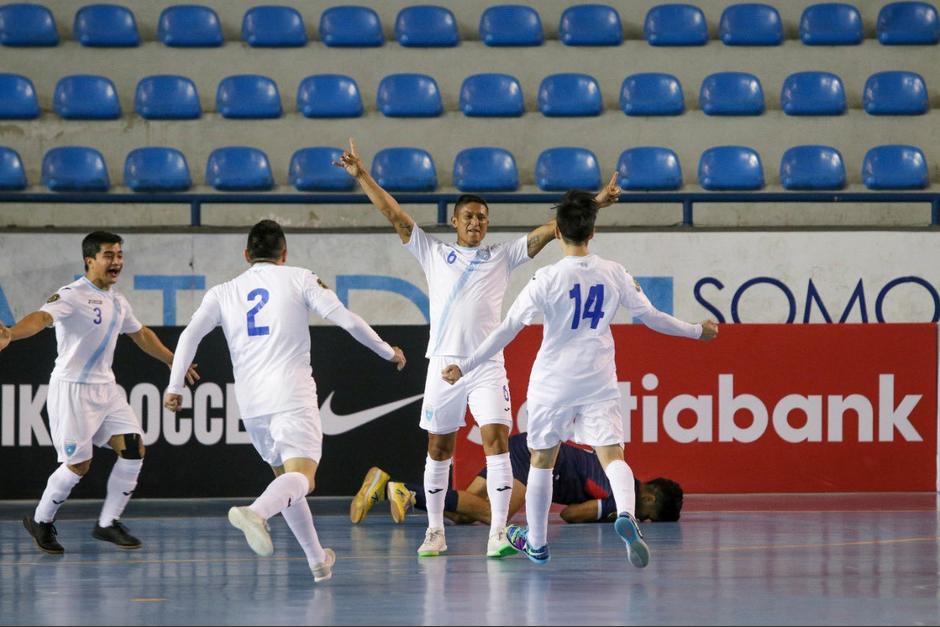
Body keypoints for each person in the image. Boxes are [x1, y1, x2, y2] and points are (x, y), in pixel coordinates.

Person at [336, 138, 621, 559]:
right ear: (454, 221)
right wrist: (361, 175)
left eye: (482, 217)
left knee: (497, 441)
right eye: (468, 216)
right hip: (443, 364)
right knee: (439, 449)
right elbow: (393, 214)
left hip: (486, 365)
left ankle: (498, 534)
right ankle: (435, 532)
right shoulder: (432, 252)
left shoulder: (501, 256)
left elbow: (553, 230)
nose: (476, 222)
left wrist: (596, 202)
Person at [442, 190, 718, 567]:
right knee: (612, 455)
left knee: (542, 460)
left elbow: (506, 329)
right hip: (597, 378)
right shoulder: (614, 272)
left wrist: (466, 365)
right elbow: (652, 317)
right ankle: (626, 513)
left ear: (557, 232)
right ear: (592, 233)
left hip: (553, 381)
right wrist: (696, 331)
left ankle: (537, 543)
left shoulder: (546, 278)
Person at [162, 220, 406, 583]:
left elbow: (189, 336)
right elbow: (347, 320)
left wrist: (174, 385)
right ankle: (257, 512)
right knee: (303, 479)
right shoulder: (300, 278)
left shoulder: (222, 292)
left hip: (251, 405)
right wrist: (388, 351)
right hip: (291, 396)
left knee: (288, 483)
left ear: (246, 255)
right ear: (284, 253)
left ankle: (317, 559)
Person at [0, 231, 199, 554]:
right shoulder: (72, 294)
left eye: (119, 255)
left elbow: (140, 334)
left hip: (106, 389)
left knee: (133, 448)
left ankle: (107, 523)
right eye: (108, 255)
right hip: (72, 391)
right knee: (78, 465)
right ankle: (41, 521)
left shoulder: (118, 300)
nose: (116, 261)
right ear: (89, 260)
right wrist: (11, 333)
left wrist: (172, 360)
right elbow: (41, 318)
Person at [349, 433, 684, 526]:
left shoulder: (618, 475)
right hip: (536, 459)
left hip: (524, 447)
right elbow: (570, 514)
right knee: (494, 515)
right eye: (648, 516)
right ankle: (405, 491)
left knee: (464, 512)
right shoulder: (621, 497)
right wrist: (609, 516)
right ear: (649, 498)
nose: (642, 519)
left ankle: (390, 487)